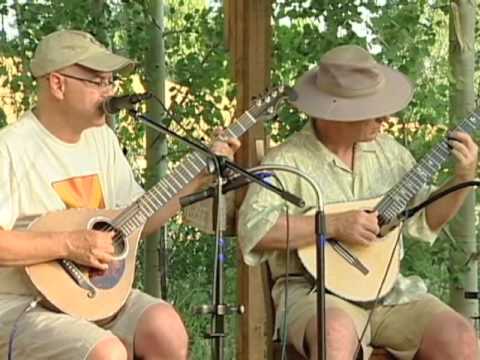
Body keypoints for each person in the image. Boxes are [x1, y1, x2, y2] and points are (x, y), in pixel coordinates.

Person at [0, 30, 240, 360]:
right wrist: (71, 245)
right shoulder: (10, 148)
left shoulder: (102, 141)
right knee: (106, 352)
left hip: (91, 295)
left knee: (165, 328)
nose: (110, 92)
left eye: (111, 81)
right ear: (58, 84)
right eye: (98, 81)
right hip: (19, 304)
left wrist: (198, 176)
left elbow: (137, 219)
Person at [238, 45, 479, 360]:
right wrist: (333, 225)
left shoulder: (389, 153)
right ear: (336, 112)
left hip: (391, 292)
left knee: (460, 339)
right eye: (373, 111)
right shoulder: (286, 161)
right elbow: (254, 231)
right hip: (316, 297)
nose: (385, 118)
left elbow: (427, 220)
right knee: (335, 336)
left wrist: (462, 177)